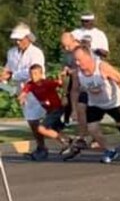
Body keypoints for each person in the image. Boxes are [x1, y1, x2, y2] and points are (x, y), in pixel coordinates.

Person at [65, 46, 120, 164]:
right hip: (95, 104)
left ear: (88, 57)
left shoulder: (102, 67)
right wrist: (74, 109)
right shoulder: (77, 73)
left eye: (79, 60)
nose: (77, 63)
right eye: (75, 60)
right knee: (92, 128)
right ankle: (110, 150)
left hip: (113, 102)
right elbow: (75, 90)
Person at [3, 24, 48, 156]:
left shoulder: (36, 53)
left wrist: (13, 75)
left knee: (35, 121)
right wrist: (4, 76)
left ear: (28, 38)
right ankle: (42, 147)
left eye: (20, 39)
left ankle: (44, 147)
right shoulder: (11, 52)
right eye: (15, 40)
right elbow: (8, 67)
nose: (17, 42)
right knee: (32, 121)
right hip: (22, 92)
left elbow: (34, 72)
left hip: (37, 91)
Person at [20, 64, 70, 159]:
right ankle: (69, 141)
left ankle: (66, 142)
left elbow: (60, 84)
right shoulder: (30, 85)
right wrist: (22, 98)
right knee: (55, 129)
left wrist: (62, 78)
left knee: (41, 128)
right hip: (49, 111)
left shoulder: (47, 83)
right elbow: (24, 92)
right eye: (31, 74)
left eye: (35, 74)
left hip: (57, 109)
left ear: (41, 74)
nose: (33, 76)